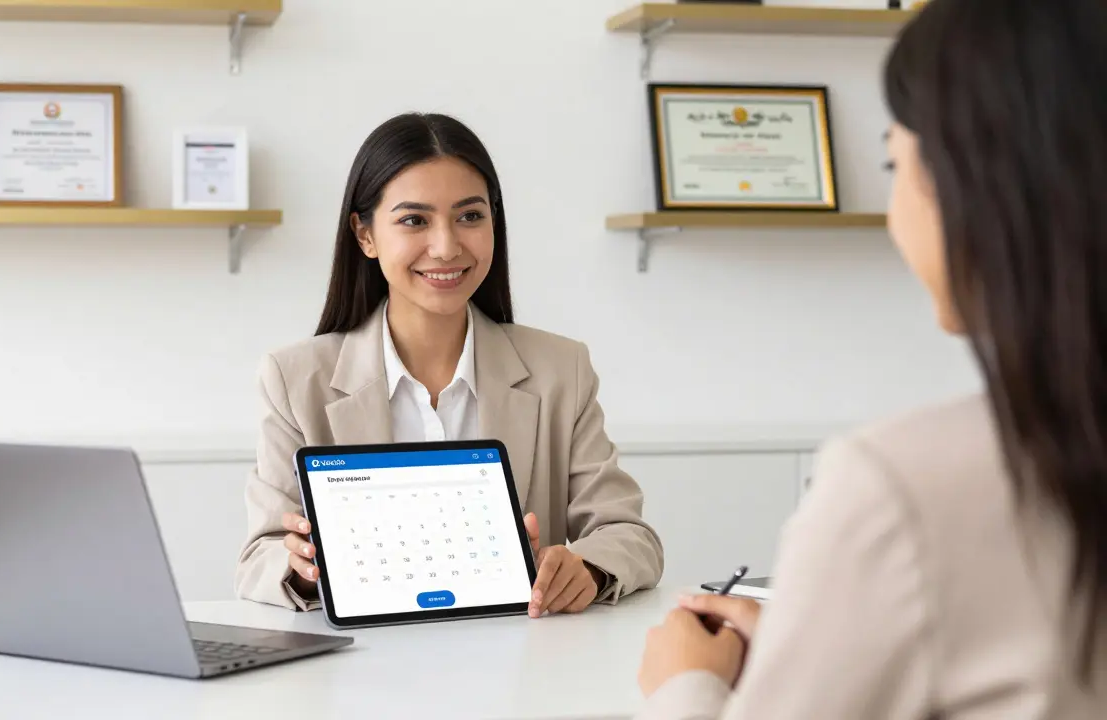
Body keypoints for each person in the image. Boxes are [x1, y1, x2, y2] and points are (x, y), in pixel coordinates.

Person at [635, 0, 1107, 717]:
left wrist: (685, 686)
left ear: (971, 185)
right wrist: (827, 640)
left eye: (895, 161)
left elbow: (621, 529)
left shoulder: (901, 489)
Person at [235, 112, 664, 616]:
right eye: (414, 220)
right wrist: (309, 572)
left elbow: (630, 536)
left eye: (470, 216)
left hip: (523, 666)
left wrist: (585, 568)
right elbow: (258, 560)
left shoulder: (560, 369)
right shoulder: (294, 378)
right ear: (365, 235)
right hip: (365, 672)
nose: (446, 246)